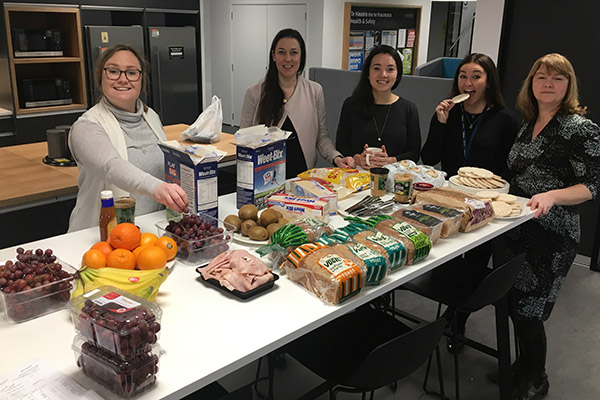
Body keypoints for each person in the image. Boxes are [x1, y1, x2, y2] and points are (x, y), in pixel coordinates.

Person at [505, 53, 600, 399]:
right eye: (541, 77)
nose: (547, 83)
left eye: (557, 78)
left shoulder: (579, 129)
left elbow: (592, 185)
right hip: (517, 228)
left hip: (551, 235)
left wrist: (553, 195)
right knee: (516, 303)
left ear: (568, 85)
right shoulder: (528, 123)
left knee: (531, 310)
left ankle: (537, 377)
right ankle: (520, 365)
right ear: (531, 83)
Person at [420, 53, 520, 353]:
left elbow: (511, 166)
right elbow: (429, 157)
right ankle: (447, 312)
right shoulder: (449, 113)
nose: (468, 82)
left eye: (476, 75)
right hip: (449, 202)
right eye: (463, 76)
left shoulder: (505, 118)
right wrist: (440, 123)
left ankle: (456, 318)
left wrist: (492, 194)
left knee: (474, 265)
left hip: (485, 206)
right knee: (447, 259)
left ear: (489, 81)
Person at [68, 44, 188, 232]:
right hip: (102, 236)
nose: (123, 79)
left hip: (150, 231)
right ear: (101, 77)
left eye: (131, 73)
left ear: (141, 80)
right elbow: (112, 167)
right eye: (114, 71)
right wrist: (158, 188)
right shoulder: (86, 126)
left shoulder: (151, 117)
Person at [240, 28, 353, 178]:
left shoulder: (314, 91)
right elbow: (244, 141)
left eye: (294, 52)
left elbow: (321, 137)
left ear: (301, 57)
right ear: (273, 56)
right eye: (281, 52)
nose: (288, 59)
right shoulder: (254, 93)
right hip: (265, 179)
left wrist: (336, 157)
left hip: (301, 177)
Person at [335, 45, 421, 169]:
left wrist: (390, 161)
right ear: (368, 73)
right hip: (356, 177)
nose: (383, 74)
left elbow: (414, 153)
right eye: (377, 68)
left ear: (397, 75)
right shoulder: (351, 105)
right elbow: (341, 145)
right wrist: (358, 158)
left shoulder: (408, 109)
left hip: (395, 178)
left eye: (390, 69)